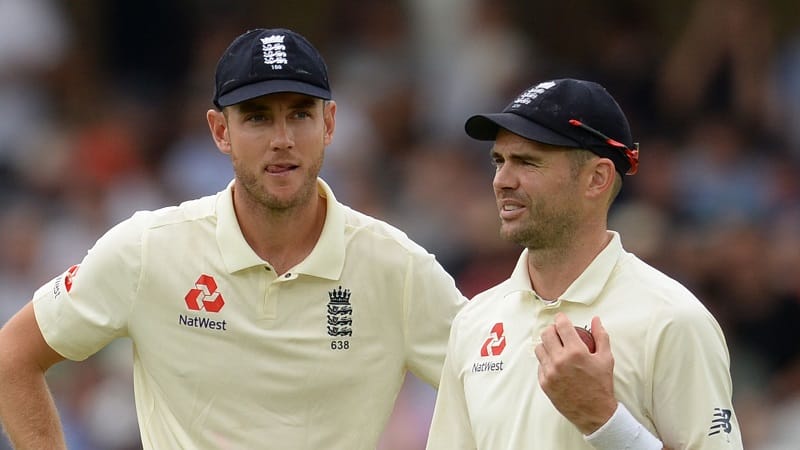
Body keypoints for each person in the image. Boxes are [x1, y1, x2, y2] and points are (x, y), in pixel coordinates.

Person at [0, 27, 467, 449]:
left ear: (329, 124)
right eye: (258, 118)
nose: (281, 139)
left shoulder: (398, 267)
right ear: (221, 131)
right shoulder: (148, 248)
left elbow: (496, 387)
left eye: (300, 115)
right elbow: (12, 357)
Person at [426, 78, 743, 449]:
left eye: (528, 162)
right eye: (499, 161)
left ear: (597, 178)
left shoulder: (673, 320)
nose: (502, 180)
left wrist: (604, 420)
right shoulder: (474, 321)